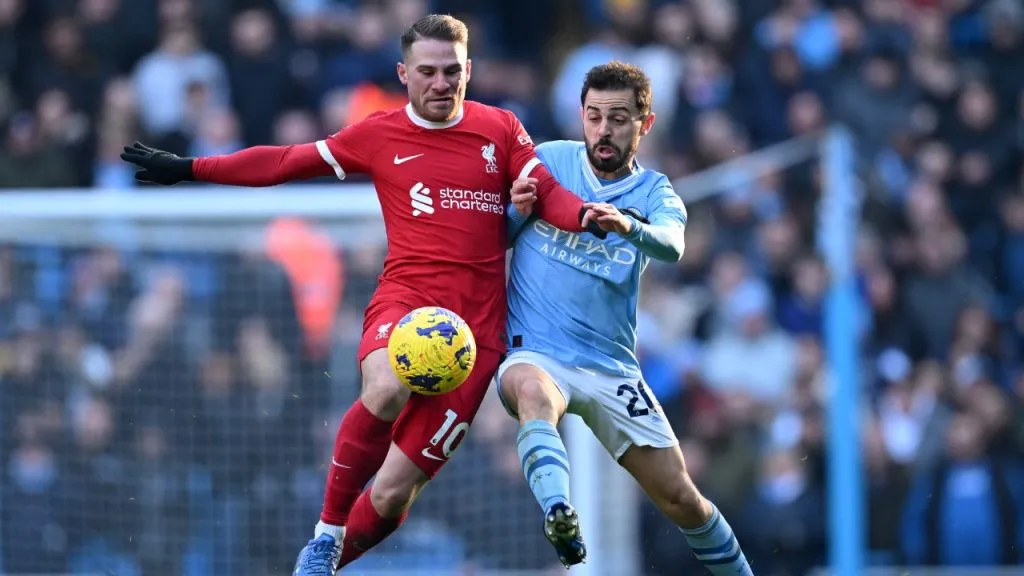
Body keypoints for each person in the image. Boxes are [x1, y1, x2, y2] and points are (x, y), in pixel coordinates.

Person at [120, 14, 610, 575]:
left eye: (452, 71)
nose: (440, 83)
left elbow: (548, 194)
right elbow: (285, 162)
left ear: (469, 70)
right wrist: (189, 168)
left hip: (475, 340)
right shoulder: (378, 134)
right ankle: (325, 535)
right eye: (427, 71)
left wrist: (590, 217)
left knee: (391, 496)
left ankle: (324, 567)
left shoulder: (499, 128)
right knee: (385, 386)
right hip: (405, 302)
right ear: (403, 73)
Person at [500, 62, 755, 575]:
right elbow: (489, 241)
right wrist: (513, 213)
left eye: (618, 118)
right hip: (537, 350)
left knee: (683, 500)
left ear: (646, 123)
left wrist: (630, 226)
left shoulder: (654, 193)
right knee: (532, 393)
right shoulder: (547, 162)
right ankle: (559, 513)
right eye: (594, 116)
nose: (603, 130)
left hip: (611, 368)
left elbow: (673, 244)